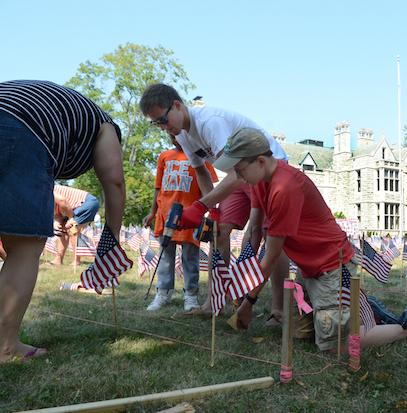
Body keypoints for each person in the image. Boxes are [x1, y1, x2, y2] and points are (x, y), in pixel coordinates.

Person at [213, 128, 407, 351]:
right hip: (308, 268)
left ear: (260, 161)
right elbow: (255, 230)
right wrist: (244, 277)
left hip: (330, 265)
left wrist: (249, 302)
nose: (238, 178)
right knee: (300, 333)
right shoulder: (258, 182)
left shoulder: (284, 187)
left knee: (334, 345)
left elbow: (271, 255)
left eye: (240, 171)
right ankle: (359, 308)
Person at [139, 84, 289, 323]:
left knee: (272, 233)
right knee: (218, 232)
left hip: (266, 169)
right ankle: (213, 303)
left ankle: (279, 310)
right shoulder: (181, 134)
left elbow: (238, 172)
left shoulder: (210, 123)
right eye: (157, 124)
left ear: (177, 105)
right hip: (238, 174)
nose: (164, 128)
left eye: (164, 120)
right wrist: (212, 210)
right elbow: (202, 173)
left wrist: (199, 206)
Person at [0, 80, 125, 363]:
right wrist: (112, 235)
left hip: (11, 115)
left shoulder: (64, 106)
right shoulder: (106, 125)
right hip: (20, 130)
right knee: (25, 247)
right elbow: (114, 180)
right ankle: (4, 346)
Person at [143, 134, 218, 312]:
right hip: (166, 215)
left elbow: (210, 187)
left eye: (177, 134)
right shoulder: (164, 156)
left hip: (190, 216)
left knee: (190, 258)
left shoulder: (200, 157)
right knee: (165, 258)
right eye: (170, 135)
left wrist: (210, 210)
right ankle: (163, 293)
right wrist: (153, 212)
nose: (173, 138)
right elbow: (158, 188)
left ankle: (190, 295)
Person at [52, 184, 100, 266]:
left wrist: (71, 218)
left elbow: (62, 201)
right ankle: (58, 260)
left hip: (87, 202)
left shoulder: (47, 188)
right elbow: (57, 212)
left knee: (72, 229)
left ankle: (76, 261)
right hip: (75, 206)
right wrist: (57, 222)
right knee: (62, 230)